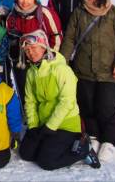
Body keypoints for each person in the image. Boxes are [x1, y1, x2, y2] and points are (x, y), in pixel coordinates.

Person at [60, 0, 115, 162]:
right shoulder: (79, 13)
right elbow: (69, 39)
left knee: (106, 106)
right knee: (87, 105)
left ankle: (110, 141)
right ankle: (93, 136)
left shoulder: (114, 13)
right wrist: (63, 63)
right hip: (83, 70)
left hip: (109, 71)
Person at [18, 31, 101, 170]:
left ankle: (83, 150)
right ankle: (50, 143)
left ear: (44, 46)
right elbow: (30, 101)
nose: (30, 53)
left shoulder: (61, 69)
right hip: (44, 123)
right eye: (27, 50)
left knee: (46, 161)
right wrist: (33, 126)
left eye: (34, 48)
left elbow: (67, 102)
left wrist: (50, 126)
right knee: (26, 153)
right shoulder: (32, 72)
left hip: (65, 124)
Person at [6, 0, 61, 103]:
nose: (25, 2)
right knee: (25, 92)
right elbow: (9, 37)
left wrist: (52, 55)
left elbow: (56, 35)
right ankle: (28, 117)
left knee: (44, 92)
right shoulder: (12, 16)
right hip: (22, 63)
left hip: (44, 61)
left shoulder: (44, 13)